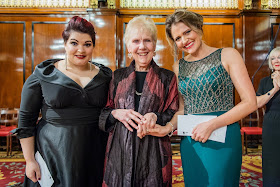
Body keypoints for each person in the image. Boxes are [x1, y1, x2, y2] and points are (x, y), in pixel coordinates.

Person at [158, 9, 257, 186]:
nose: (184, 40)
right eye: (178, 38)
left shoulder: (227, 55)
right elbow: (182, 109)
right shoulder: (178, 66)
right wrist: (168, 127)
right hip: (192, 141)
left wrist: (211, 125)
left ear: (198, 27)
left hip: (223, 137)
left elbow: (250, 102)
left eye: (187, 32)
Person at [13, 16, 112, 186]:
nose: (80, 49)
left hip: (93, 151)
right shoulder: (43, 75)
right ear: (65, 44)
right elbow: (26, 121)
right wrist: (29, 160)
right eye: (74, 43)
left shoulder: (106, 76)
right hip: (53, 152)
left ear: (93, 46)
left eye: (87, 44)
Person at [98, 16, 179, 187]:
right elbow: (104, 113)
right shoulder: (117, 76)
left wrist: (155, 116)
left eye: (147, 40)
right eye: (136, 41)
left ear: (155, 45)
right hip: (119, 151)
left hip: (154, 152)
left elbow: (172, 111)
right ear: (128, 46)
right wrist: (115, 112)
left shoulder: (167, 77)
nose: (142, 46)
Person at [256, 47, 280, 186]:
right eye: (273, 58)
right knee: (271, 161)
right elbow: (258, 103)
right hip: (271, 125)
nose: (276, 61)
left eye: (279, 57)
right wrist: (275, 88)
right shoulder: (265, 81)